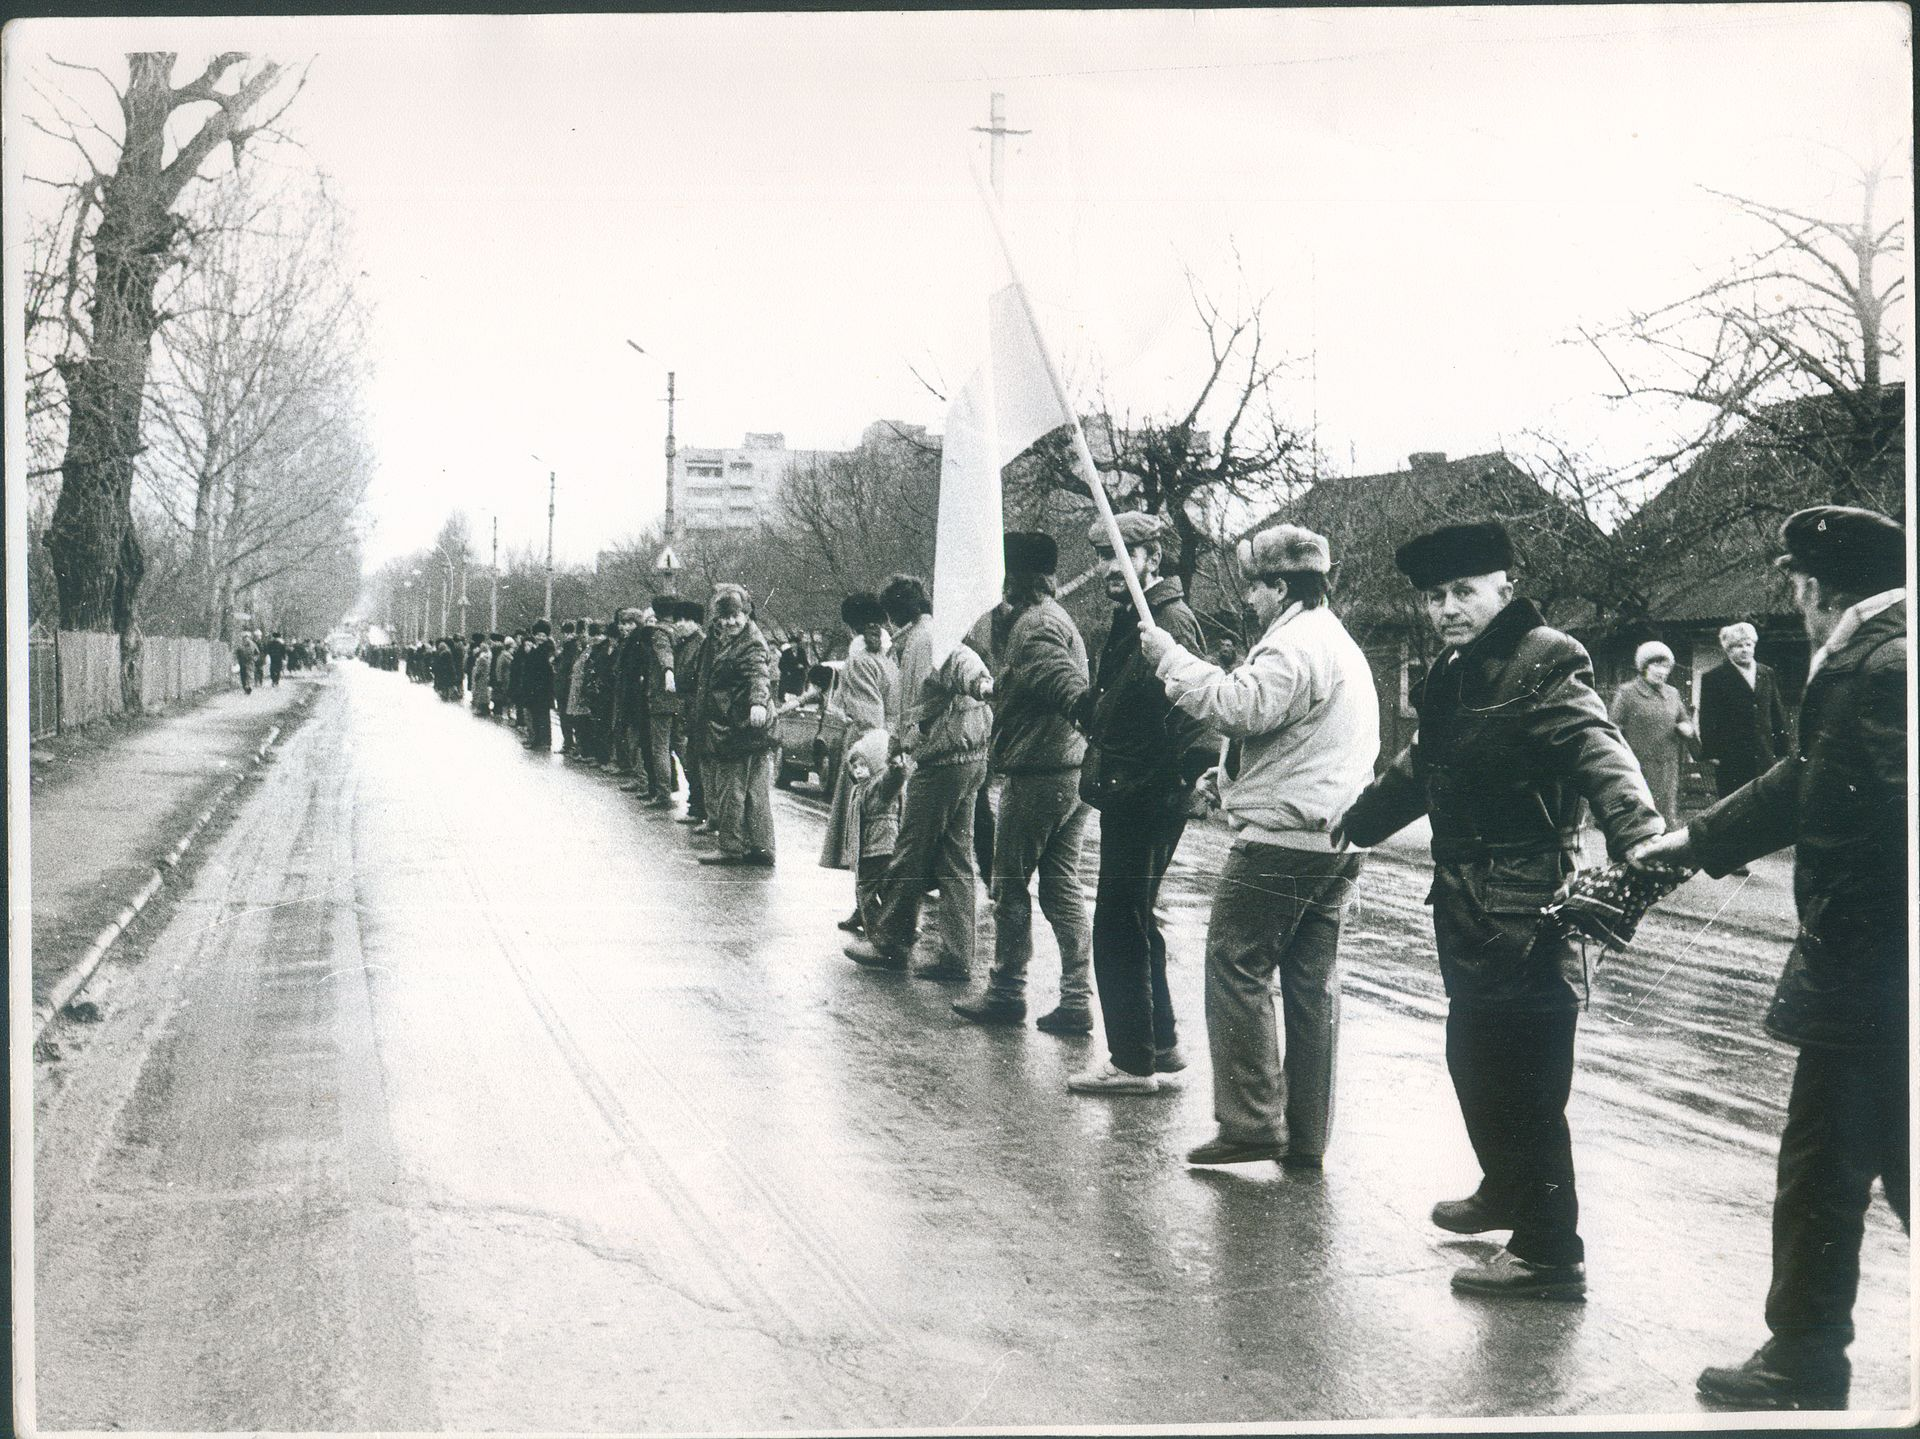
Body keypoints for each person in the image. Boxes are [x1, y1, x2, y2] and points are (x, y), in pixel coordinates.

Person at [1335, 520, 1664, 1299]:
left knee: (1526, 1079)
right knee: (1473, 1057)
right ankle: (1508, 1187)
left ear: (1504, 590)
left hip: (1530, 906)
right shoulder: (1458, 672)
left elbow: (1599, 749)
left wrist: (1645, 839)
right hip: (1466, 904)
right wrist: (1359, 818)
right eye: (1435, 596)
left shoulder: (1543, 659)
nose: (1446, 607)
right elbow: (1425, 765)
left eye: (1463, 591)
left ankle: (1551, 1251)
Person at [1629, 506, 1906, 1411]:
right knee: (1880, 1155)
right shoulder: (1881, 657)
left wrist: (1846, 946)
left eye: (1796, 583)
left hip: (1872, 971)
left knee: (1824, 1161)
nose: (1797, 598)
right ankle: (1804, 1351)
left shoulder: (1881, 665)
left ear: (1821, 587)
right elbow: (1807, 777)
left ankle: (1803, 1358)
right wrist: (1697, 839)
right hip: (1881, 973)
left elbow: (1875, 827)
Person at [1140, 525, 1379, 1169]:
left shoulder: (1292, 646)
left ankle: (1250, 1122)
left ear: (1280, 587)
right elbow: (1298, 739)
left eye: (1254, 585)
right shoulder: (1338, 644)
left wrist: (1169, 657)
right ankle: (1306, 1136)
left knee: (1235, 965)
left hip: (1279, 843)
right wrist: (1227, 779)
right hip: (1334, 841)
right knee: (1310, 988)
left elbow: (1236, 706)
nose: (1247, 598)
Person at [1047, 511, 1209, 1095]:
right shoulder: (1133, 620)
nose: (1109, 567)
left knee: (1118, 921)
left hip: (1146, 793)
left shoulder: (1169, 620)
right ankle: (1159, 1043)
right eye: (1102, 556)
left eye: (1121, 552)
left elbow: (1189, 716)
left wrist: (1163, 785)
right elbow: (1114, 709)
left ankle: (1131, 1061)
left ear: (1152, 558)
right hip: (1132, 788)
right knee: (1135, 917)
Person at [951, 532, 1097, 1036]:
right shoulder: (1054, 617)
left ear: (1011, 577)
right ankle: (1077, 999)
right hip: (1070, 770)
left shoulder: (1033, 627)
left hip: (1038, 773)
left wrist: (1082, 706)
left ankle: (1006, 991)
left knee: (1009, 884)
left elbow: (1059, 680)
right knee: (1061, 888)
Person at [842, 574, 994, 980]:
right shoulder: (934, 632)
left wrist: (901, 748)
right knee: (955, 857)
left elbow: (955, 668)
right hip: (971, 752)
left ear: (893, 617)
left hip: (942, 759)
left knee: (910, 849)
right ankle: (957, 955)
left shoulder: (921, 642)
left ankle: (890, 939)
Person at [820, 592, 899, 931]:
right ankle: (870, 907)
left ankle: (868, 910)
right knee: (884, 837)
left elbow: (869, 718)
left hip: (866, 752)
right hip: (893, 747)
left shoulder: (858, 661)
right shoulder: (890, 658)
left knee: (861, 831)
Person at [1697, 622, 1790, 875]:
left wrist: (1783, 746)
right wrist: (1712, 751)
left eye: (1748, 644)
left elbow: (1776, 711)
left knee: (1764, 798)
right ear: (1728, 650)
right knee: (1732, 804)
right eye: (1738, 646)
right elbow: (1708, 717)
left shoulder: (1766, 673)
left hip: (1763, 750)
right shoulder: (1714, 678)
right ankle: (1732, 857)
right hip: (1732, 753)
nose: (1744, 650)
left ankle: (1753, 849)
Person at [697, 586, 778, 867]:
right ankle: (761, 848)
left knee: (731, 789)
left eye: (736, 615)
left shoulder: (750, 643)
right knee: (754, 791)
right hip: (747, 726)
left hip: (739, 725)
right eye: (725, 617)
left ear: (746, 613)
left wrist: (757, 702)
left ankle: (731, 848)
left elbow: (759, 674)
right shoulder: (734, 637)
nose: (730, 621)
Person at [1609, 640, 1695, 826]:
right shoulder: (1627, 693)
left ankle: (1665, 854)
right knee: (1638, 817)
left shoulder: (1673, 693)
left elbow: (1684, 719)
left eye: (1666, 666)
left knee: (1666, 814)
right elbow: (1612, 729)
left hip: (1667, 767)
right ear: (1644, 666)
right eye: (1656, 665)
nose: (1662, 671)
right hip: (1637, 767)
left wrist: (1686, 728)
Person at [844, 727, 907, 932]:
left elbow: (892, 780)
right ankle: (894, 926)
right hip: (870, 847)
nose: (859, 770)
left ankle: (877, 930)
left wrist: (896, 767)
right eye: (855, 767)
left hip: (880, 846)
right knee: (877, 887)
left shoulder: (877, 786)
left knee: (866, 889)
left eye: (863, 765)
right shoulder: (859, 789)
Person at [669, 599, 710, 824]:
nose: (682, 624)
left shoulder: (700, 644)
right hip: (686, 705)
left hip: (694, 705)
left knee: (694, 759)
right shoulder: (685, 643)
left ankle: (699, 808)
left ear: (697, 622)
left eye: (688, 620)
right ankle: (696, 806)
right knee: (691, 758)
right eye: (679, 620)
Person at [638, 597, 681, 807]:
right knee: (681, 747)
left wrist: (667, 672)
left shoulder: (659, 634)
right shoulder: (680, 631)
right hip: (680, 698)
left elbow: (664, 655)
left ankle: (664, 794)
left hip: (661, 697)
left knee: (660, 748)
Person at [521, 620, 556, 751]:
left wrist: (531, 652)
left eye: (543, 635)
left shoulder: (547, 649)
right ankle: (538, 739)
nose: (541, 637)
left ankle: (544, 741)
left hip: (543, 688)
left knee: (542, 715)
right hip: (534, 688)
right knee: (536, 714)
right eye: (538, 635)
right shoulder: (536, 648)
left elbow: (542, 667)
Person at [469, 632, 492, 715]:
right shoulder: (487, 656)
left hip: (481, 678)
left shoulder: (481, 658)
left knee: (480, 693)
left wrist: (476, 675)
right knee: (484, 694)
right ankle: (485, 708)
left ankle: (481, 709)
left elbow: (479, 668)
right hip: (485, 677)